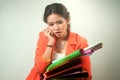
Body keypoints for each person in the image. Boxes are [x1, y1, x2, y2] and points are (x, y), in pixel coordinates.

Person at [26, 3, 92, 80]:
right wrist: (50, 42)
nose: (56, 28)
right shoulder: (43, 37)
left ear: (67, 20)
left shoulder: (80, 42)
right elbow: (40, 69)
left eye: (59, 22)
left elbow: (86, 75)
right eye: (51, 24)